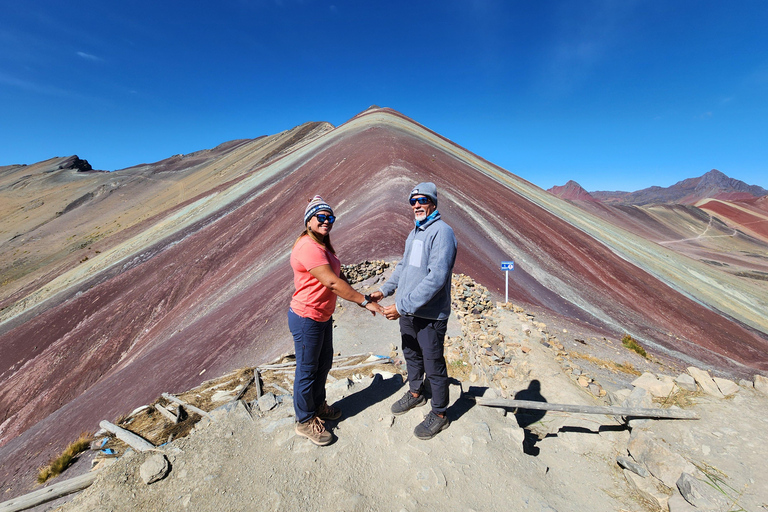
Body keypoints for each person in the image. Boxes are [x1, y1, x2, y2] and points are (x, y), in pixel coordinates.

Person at [289, 195, 384, 446]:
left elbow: (338, 276)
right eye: (321, 217)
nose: (326, 221)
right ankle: (304, 420)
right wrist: (363, 302)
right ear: (309, 220)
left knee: (322, 365)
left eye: (330, 217)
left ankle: (318, 406)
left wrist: (360, 294)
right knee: (307, 370)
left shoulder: (322, 244)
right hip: (306, 316)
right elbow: (331, 282)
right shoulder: (307, 246)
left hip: (321, 316)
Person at [370, 182, 457, 440]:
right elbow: (403, 268)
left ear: (433, 203)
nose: (417, 205)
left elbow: (437, 278)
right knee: (411, 354)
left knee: (434, 364)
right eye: (413, 201)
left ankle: (440, 413)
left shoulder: (442, 232)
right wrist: (384, 291)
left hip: (430, 315)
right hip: (409, 314)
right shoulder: (414, 233)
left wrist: (401, 306)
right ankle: (416, 393)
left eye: (422, 200)